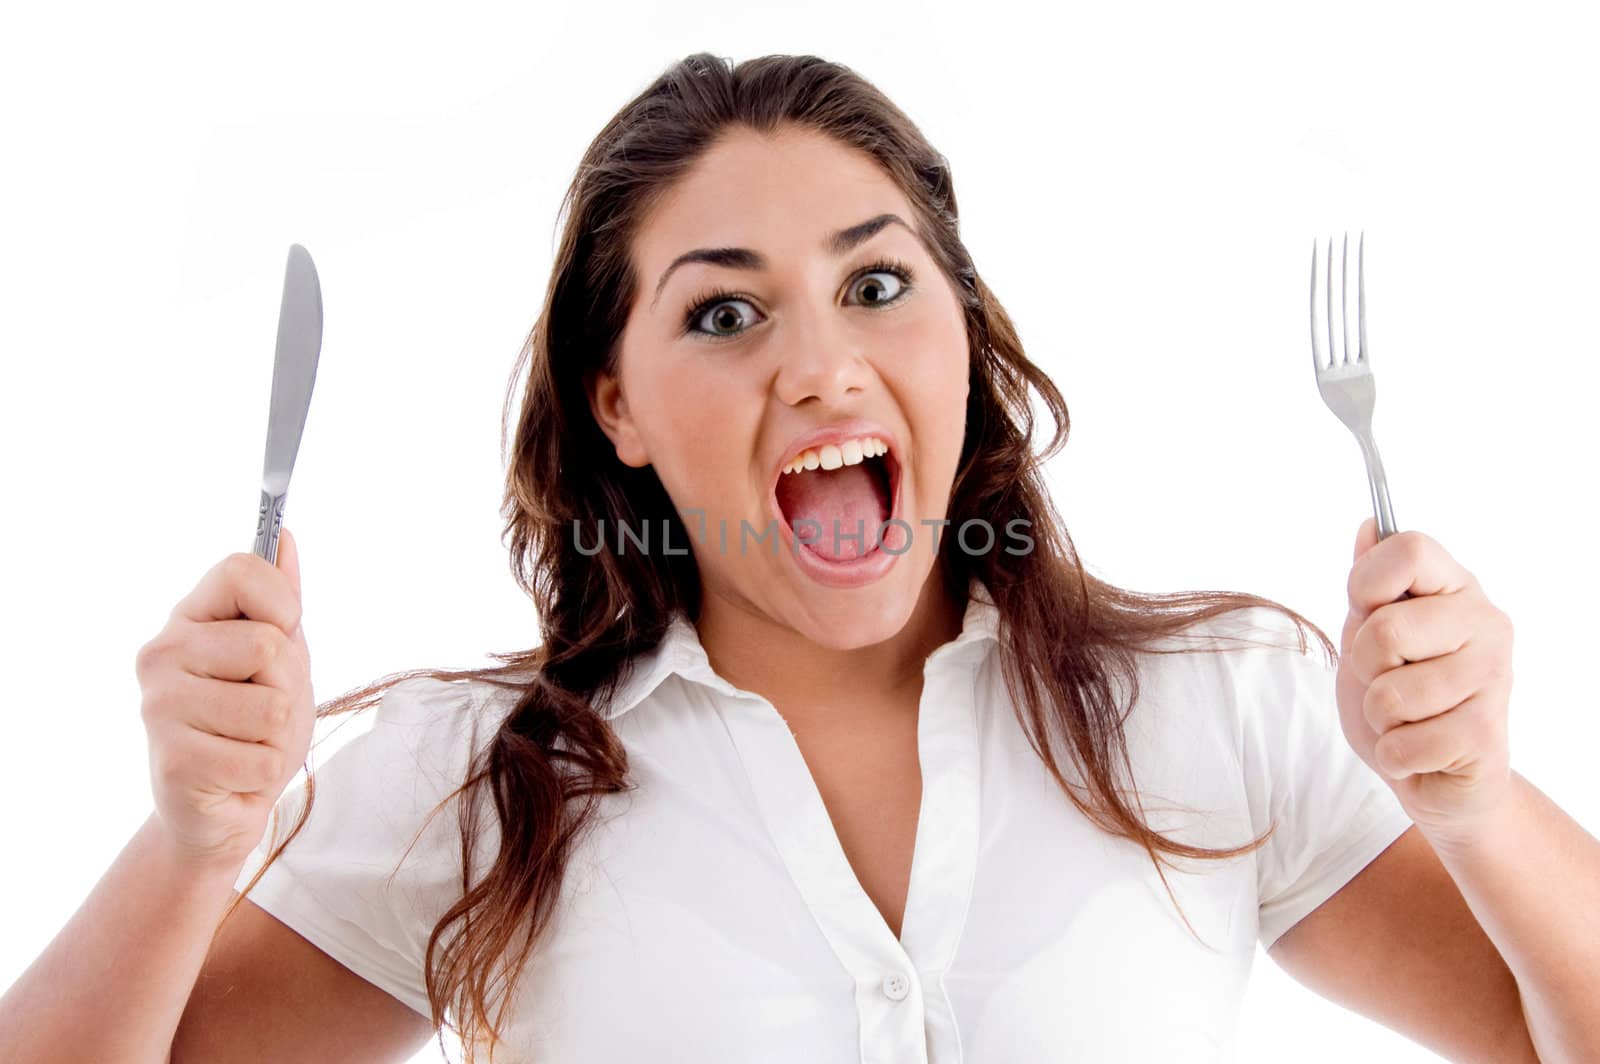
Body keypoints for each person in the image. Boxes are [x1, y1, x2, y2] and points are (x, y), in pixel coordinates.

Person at [4, 51, 1592, 1064]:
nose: (823, 365)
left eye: (877, 285)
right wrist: (192, 844)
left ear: (964, 332)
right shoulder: (489, 779)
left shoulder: (1220, 710)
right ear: (614, 402)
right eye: (724, 310)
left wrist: (1472, 802)